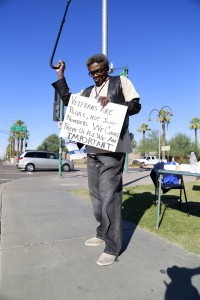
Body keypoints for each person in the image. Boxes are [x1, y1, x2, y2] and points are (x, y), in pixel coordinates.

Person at [52, 54, 141, 266]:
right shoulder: (88, 92)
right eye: (92, 73)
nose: (96, 76)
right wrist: (61, 75)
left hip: (113, 150)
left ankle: (112, 247)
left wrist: (113, 104)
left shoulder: (121, 82)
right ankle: (102, 233)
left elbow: (136, 106)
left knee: (110, 197)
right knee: (96, 197)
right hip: (92, 150)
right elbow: (69, 101)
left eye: (99, 71)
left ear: (107, 69)